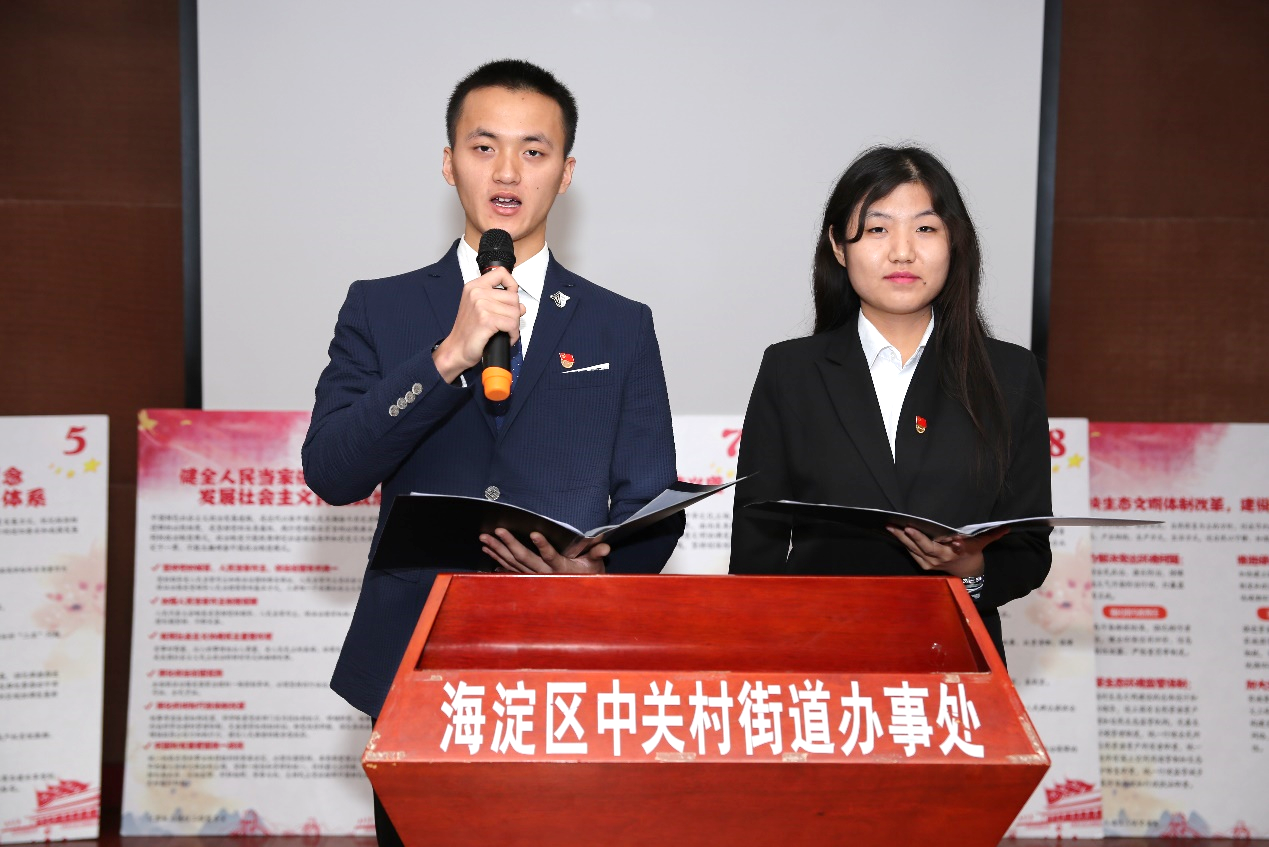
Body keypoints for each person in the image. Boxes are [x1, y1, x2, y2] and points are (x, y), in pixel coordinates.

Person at [302, 59, 682, 844]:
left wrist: (600, 574)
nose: (507, 171)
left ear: (565, 172)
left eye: (533, 151)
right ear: (448, 162)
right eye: (484, 147)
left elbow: (652, 499)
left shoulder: (620, 324)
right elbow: (332, 469)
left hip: (569, 658)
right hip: (415, 658)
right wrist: (448, 355)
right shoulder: (380, 307)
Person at [729, 145, 1051, 664]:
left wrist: (970, 572)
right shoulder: (791, 371)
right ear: (839, 246)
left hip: (954, 665)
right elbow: (755, 548)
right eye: (877, 229)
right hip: (818, 666)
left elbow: (1030, 548)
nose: (902, 252)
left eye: (925, 228)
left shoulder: (1009, 374)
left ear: (954, 242)